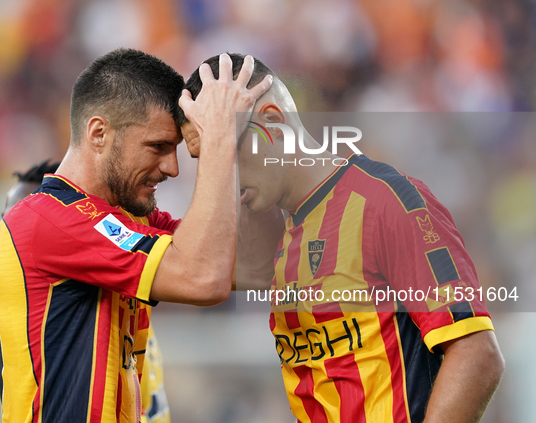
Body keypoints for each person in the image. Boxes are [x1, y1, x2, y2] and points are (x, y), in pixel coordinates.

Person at [178, 54, 505, 423]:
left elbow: (477, 353)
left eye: (225, 148)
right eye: (206, 158)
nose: (218, 171)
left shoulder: (384, 201)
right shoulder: (275, 232)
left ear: (272, 121)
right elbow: (205, 273)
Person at [0, 49, 272, 422]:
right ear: (99, 133)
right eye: (157, 147)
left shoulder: (126, 218)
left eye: (174, 151)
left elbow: (254, 264)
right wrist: (219, 141)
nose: (172, 168)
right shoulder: (47, 220)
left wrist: (241, 151)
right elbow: (204, 278)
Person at [1, 160, 170, 423]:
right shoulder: (21, 310)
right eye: (5, 221)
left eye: (14, 221)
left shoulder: (116, 326)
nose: (7, 237)